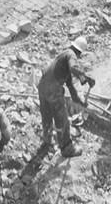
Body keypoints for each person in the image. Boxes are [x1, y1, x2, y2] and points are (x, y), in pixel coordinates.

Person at [22, 38, 94, 179]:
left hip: (42, 88)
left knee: (47, 116)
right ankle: (66, 147)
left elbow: (70, 87)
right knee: (62, 119)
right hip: (53, 89)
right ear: (79, 52)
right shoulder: (70, 54)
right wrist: (85, 78)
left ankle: (47, 140)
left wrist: (79, 101)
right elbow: (74, 67)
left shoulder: (62, 60)